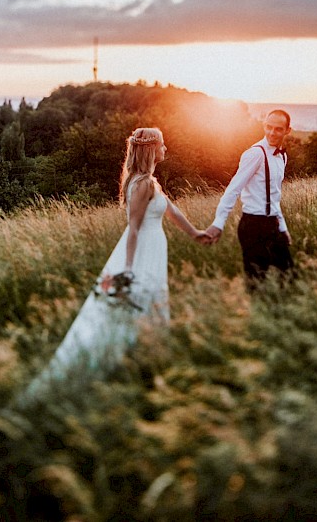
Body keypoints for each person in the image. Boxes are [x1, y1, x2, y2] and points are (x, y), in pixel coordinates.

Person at [21, 127, 208, 401]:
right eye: (163, 145)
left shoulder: (150, 181)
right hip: (140, 251)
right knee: (134, 306)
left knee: (146, 305)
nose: (166, 149)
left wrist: (195, 233)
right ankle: (125, 368)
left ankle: (147, 365)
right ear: (151, 149)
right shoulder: (142, 183)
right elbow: (133, 228)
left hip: (153, 249)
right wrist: (128, 270)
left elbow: (171, 210)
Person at [205, 109, 294, 282]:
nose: (272, 133)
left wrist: (283, 229)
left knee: (289, 278)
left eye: (278, 129)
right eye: (269, 127)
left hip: (273, 225)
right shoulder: (255, 154)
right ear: (264, 125)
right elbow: (233, 189)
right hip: (253, 226)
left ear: (287, 130)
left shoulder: (282, 157)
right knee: (256, 283)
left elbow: (274, 197)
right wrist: (218, 222)